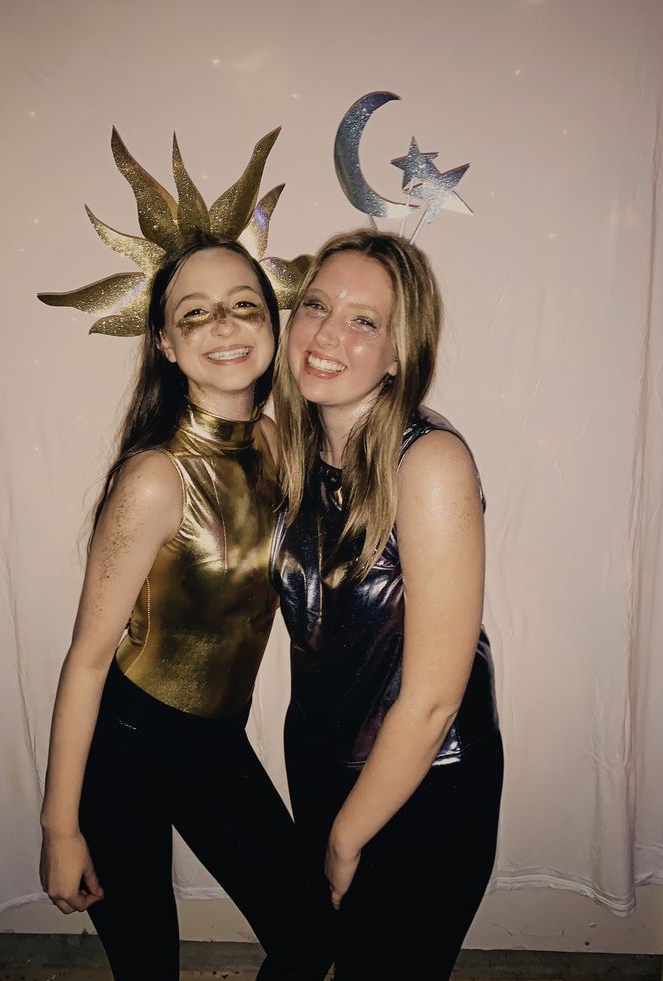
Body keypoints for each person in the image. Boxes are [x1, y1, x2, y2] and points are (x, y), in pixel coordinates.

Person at [40, 237, 331, 981]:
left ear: (272, 323)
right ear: (166, 343)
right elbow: (88, 659)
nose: (224, 326)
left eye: (243, 305)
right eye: (194, 313)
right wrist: (59, 827)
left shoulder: (272, 443)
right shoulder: (155, 478)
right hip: (126, 746)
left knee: (309, 935)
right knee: (147, 968)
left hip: (214, 742)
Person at [272, 229, 503, 980]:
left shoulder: (430, 461)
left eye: (364, 320)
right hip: (319, 756)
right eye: (315, 305)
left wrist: (344, 838)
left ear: (400, 352)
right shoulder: (292, 448)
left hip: (425, 781)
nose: (327, 333)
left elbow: (434, 699)